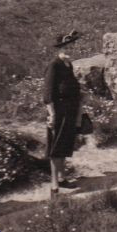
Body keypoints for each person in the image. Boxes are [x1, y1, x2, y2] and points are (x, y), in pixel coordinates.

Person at [45, 47, 84, 197]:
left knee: (65, 145)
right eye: (66, 46)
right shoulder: (54, 65)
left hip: (70, 111)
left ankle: (62, 178)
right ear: (59, 49)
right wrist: (52, 115)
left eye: (73, 45)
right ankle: (54, 186)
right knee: (56, 147)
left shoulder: (69, 65)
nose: (71, 49)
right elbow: (48, 94)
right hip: (58, 112)